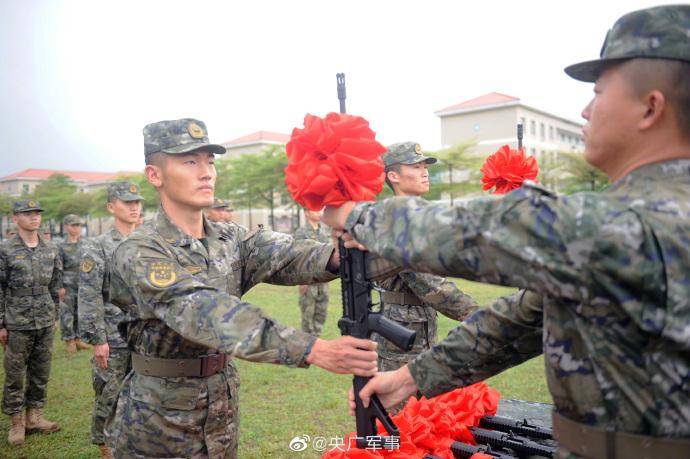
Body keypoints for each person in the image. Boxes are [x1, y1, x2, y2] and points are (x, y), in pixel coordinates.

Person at [324, 5, 690, 457]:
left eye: (598, 92)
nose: (586, 109)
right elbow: (524, 319)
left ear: (651, 106)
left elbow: (489, 231)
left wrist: (357, 215)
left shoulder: (648, 218)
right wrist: (411, 378)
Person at [104, 118, 379, 458]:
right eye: (190, 161)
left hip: (220, 404)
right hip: (158, 415)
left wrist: (342, 253)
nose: (206, 173)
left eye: (210, 162)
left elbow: (292, 254)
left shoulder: (229, 237)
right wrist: (311, 348)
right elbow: (200, 309)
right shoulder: (140, 249)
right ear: (155, 175)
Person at [373, 143, 479, 410]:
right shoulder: (397, 221)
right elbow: (430, 284)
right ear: (393, 176)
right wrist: (478, 315)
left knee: (421, 417)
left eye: (425, 167)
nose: (424, 173)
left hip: (420, 327)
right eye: (415, 167)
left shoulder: (414, 218)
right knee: (398, 421)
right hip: (399, 339)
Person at [78, 182, 143, 459]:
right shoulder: (98, 246)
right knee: (109, 391)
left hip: (143, 334)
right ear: (110, 207)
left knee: (140, 390)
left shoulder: (147, 241)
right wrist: (98, 339)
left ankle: (130, 440)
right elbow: (90, 294)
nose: (134, 207)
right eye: (126, 202)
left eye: (137, 202)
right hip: (113, 336)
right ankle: (105, 444)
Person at [0, 200, 62, 445]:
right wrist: (1, 324)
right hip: (17, 321)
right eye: (28, 214)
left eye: (37, 213)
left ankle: (34, 417)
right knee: (15, 374)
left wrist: (55, 315)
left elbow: (55, 285)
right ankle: (16, 423)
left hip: (45, 319)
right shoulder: (5, 250)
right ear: (16, 218)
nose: (34, 217)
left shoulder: (50, 248)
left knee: (41, 372)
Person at [294, 209, 332, 336]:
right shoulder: (301, 233)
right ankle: (307, 342)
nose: (318, 212)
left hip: (324, 279)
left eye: (320, 209)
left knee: (321, 311)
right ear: (306, 213)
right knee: (308, 312)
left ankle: (318, 338)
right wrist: (301, 280)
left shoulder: (325, 231)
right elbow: (297, 257)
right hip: (308, 279)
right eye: (314, 210)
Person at [58, 214, 90, 353]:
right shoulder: (60, 246)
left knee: (80, 312)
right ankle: (69, 339)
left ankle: (78, 338)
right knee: (67, 313)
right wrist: (60, 286)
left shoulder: (85, 243)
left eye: (79, 225)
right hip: (67, 283)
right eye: (73, 225)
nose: (77, 228)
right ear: (66, 226)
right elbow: (57, 268)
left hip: (82, 282)